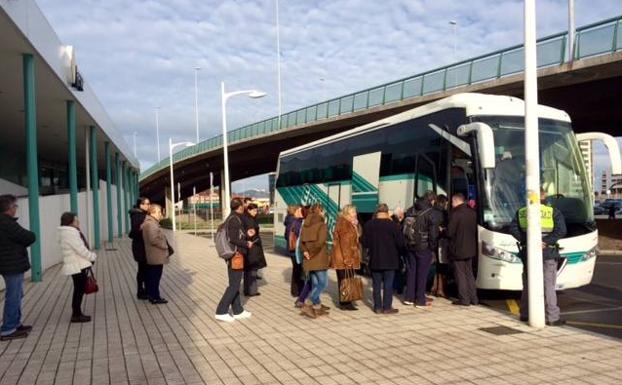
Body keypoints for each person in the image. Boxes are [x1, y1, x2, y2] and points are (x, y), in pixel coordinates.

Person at [510, 189, 567, 326]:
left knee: (528, 284)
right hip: (547, 252)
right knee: (548, 285)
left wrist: (528, 240)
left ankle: (525, 314)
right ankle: (552, 317)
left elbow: (513, 229)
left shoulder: (521, 212)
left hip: (528, 253)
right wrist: (545, 242)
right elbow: (561, 230)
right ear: (543, 196)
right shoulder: (552, 211)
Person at [0, 195, 35, 341]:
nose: (16, 209)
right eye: (15, 206)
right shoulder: (7, 223)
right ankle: (8, 329)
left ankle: (15, 323)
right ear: (9, 208)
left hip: (8, 264)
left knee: (17, 294)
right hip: (11, 265)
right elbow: (28, 237)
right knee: (13, 296)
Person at [363, 203, 405, 314]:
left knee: (376, 284)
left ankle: (377, 307)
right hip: (390, 260)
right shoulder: (393, 225)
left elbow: (364, 243)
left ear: (377, 212)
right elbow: (401, 243)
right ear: (387, 212)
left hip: (375, 259)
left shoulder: (369, 225)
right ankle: (387, 307)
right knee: (388, 284)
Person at [215, 198, 252, 322]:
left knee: (234, 283)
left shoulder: (232, 218)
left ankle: (238, 310)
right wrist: (246, 243)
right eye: (244, 205)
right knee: (235, 284)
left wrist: (247, 234)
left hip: (234, 255)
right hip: (235, 255)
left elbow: (235, 235)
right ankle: (221, 310)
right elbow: (233, 239)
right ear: (240, 207)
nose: (245, 207)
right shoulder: (234, 220)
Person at [58, 212, 97, 322]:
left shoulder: (67, 232)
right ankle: (76, 314)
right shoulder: (71, 234)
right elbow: (81, 249)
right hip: (77, 265)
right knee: (79, 290)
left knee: (78, 289)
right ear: (70, 222)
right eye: (76, 220)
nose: (78, 222)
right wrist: (92, 256)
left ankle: (77, 313)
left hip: (76, 265)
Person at [403, 191, 439, 308]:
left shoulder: (410, 210)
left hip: (410, 245)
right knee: (422, 273)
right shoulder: (431, 212)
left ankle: (409, 297)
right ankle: (420, 300)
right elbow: (433, 234)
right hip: (424, 246)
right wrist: (432, 247)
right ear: (432, 200)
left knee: (411, 271)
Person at [447, 193, 479, 306]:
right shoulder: (472, 212)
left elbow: (450, 232)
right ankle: (474, 298)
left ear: (456, 201)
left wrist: (443, 230)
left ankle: (464, 299)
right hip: (470, 248)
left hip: (458, 249)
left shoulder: (456, 214)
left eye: (452, 202)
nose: (451, 204)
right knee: (469, 273)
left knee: (460, 274)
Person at [299, 204, 330, 319]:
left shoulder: (305, 225)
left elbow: (301, 242)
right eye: (323, 211)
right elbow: (320, 242)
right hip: (319, 258)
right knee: (323, 283)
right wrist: (311, 253)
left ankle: (317, 306)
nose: (324, 213)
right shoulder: (322, 225)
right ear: (319, 212)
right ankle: (309, 302)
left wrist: (305, 252)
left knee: (316, 283)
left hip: (309, 259)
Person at [331, 205, 361, 311]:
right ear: (347, 213)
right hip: (344, 258)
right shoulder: (344, 224)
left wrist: (356, 226)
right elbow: (345, 243)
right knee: (346, 279)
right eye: (353, 212)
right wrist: (348, 259)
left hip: (342, 257)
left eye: (355, 212)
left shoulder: (347, 223)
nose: (355, 214)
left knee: (344, 280)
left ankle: (345, 302)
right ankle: (346, 303)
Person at [142, 204, 169, 305]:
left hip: (154, 255)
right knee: (155, 277)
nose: (160, 214)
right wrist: (164, 245)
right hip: (156, 255)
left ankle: (152, 295)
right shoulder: (151, 224)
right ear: (152, 212)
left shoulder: (150, 222)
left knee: (153, 276)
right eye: (158, 212)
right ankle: (155, 297)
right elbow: (153, 239)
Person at [241, 203, 267, 297]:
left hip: (248, 246)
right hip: (253, 246)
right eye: (254, 210)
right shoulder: (250, 220)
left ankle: (247, 290)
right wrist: (255, 240)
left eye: (256, 210)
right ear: (249, 210)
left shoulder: (244, 218)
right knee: (253, 268)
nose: (256, 212)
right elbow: (252, 234)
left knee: (248, 269)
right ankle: (252, 290)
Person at [129, 197, 150, 300]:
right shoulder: (138, 216)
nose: (148, 206)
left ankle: (144, 290)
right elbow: (135, 231)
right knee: (143, 270)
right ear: (140, 205)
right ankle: (141, 291)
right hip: (140, 247)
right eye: (146, 204)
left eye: (149, 204)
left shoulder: (141, 214)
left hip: (141, 246)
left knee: (143, 269)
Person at [431, 194, 449, 298]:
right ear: (443, 202)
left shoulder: (431, 212)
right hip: (441, 242)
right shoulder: (443, 213)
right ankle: (440, 289)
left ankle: (434, 287)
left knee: (436, 266)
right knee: (442, 266)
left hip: (433, 242)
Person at [284, 205, 304, 296]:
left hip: (291, 249)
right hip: (295, 250)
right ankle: (298, 291)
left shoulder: (289, 220)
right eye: (300, 210)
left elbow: (286, 235)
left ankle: (295, 291)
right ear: (295, 212)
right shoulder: (295, 221)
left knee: (296, 270)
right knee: (298, 270)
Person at [391, 206, 407, 295]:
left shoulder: (392, 221)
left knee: (396, 269)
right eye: (402, 213)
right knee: (399, 269)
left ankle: (395, 286)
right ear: (399, 214)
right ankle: (398, 287)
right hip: (397, 249)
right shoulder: (397, 223)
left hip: (393, 250)